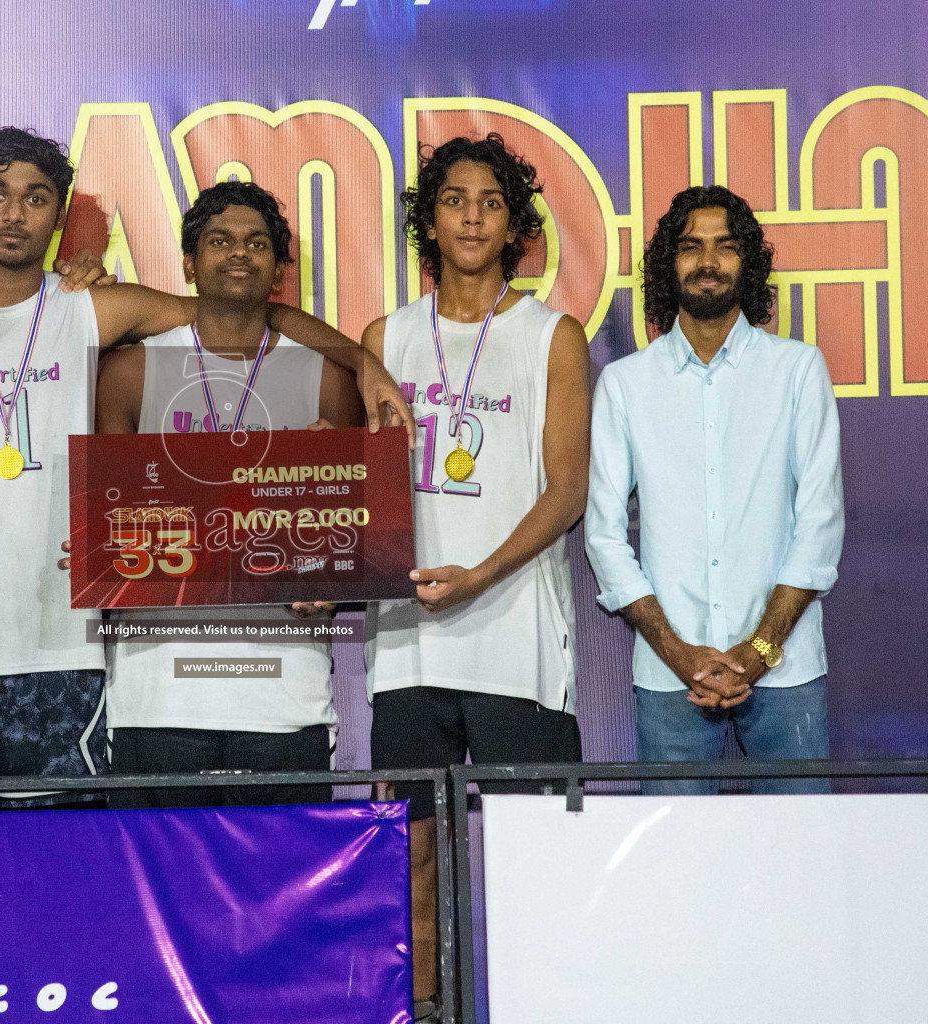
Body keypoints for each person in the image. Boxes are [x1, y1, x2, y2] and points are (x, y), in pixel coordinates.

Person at [0, 128, 412, 809]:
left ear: (58, 215)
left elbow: (240, 311)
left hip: (59, 642)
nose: (14, 214)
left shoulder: (94, 310)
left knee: (61, 854)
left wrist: (365, 364)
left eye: (35, 198)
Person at [362, 134, 592, 1016]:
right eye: (454, 198)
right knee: (413, 847)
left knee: (535, 846)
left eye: (490, 202)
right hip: (410, 650)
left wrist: (482, 575)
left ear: (514, 224)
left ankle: (549, 1002)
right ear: (430, 217)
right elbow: (359, 493)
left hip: (517, 641)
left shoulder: (550, 336)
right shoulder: (387, 335)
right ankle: (421, 1006)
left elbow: (566, 489)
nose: (471, 215)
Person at [93, 181, 361, 808]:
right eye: (219, 240)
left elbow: (353, 540)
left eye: (256, 242)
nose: (238, 253)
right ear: (190, 263)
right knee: (158, 898)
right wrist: (98, 548)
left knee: (277, 901)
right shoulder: (132, 372)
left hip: (283, 697)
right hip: (158, 696)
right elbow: (108, 523)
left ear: (277, 267)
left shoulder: (325, 379)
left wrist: (329, 572)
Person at [585, 185, 843, 796]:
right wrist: (679, 655)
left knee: (802, 859)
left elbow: (820, 524)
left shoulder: (797, 371)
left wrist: (758, 651)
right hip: (669, 675)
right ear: (667, 265)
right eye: (691, 247)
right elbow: (602, 535)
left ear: (746, 263)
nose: (708, 262)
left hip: (787, 671)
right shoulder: (625, 385)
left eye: (725, 247)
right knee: (677, 871)